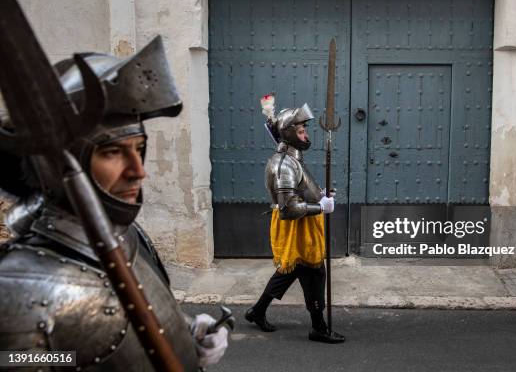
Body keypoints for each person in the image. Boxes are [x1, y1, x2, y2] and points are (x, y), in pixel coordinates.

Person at [0, 36, 228, 370]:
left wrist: (185, 332)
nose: (138, 172)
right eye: (112, 152)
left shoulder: (128, 235)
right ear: (57, 167)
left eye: (138, 149)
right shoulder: (20, 289)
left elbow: (137, 320)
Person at [244, 95, 345, 344]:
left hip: (304, 223)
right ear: (288, 134)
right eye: (300, 131)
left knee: (289, 271)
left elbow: (301, 190)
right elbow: (288, 209)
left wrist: (321, 195)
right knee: (313, 272)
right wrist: (320, 207)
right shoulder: (283, 165)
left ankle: (257, 312)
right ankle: (318, 327)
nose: (305, 135)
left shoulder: (293, 159)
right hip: (296, 226)